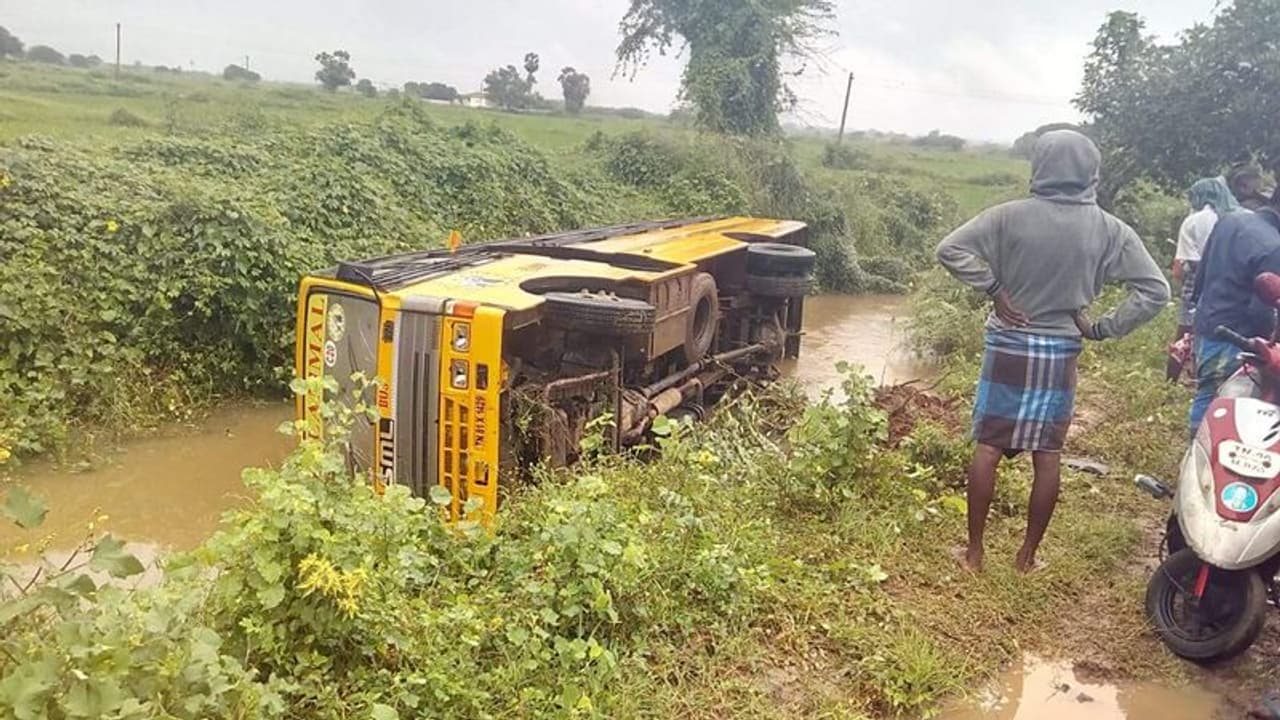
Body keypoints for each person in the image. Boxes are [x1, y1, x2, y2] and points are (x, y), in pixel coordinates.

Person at [936, 130, 1169, 573]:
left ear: (1039, 166)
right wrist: (1102, 328)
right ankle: (1026, 558)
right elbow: (1155, 291)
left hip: (1008, 342)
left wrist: (994, 289)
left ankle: (974, 554)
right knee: (1047, 454)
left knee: (988, 447)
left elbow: (949, 249)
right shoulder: (1109, 228)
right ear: (1090, 171)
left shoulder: (1006, 216)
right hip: (1061, 347)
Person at [1188, 186, 1280, 436]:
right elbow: (1264, 313)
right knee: (1222, 409)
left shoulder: (1230, 220)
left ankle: (1196, 458)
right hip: (1238, 340)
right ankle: (1202, 464)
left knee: (1207, 396)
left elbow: (1201, 276)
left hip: (1208, 326)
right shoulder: (1273, 247)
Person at [1167, 177, 1242, 381]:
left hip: (1197, 283)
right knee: (1224, 336)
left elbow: (1185, 265)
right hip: (1233, 286)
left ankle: (1169, 384)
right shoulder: (1237, 218)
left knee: (1184, 335)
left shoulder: (1194, 220)